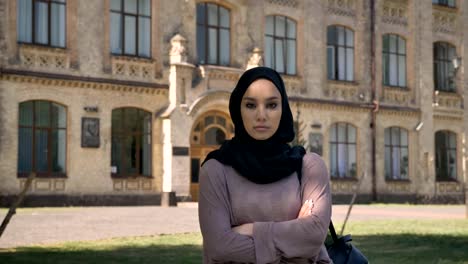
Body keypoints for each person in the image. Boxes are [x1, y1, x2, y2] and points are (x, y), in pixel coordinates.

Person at [198, 67, 332, 263]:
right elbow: (220, 247)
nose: (261, 115)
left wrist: (249, 230)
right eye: (251, 105)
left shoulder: (309, 167)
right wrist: (294, 238)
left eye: (271, 105)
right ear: (238, 109)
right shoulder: (215, 170)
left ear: (283, 109)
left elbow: (314, 236)